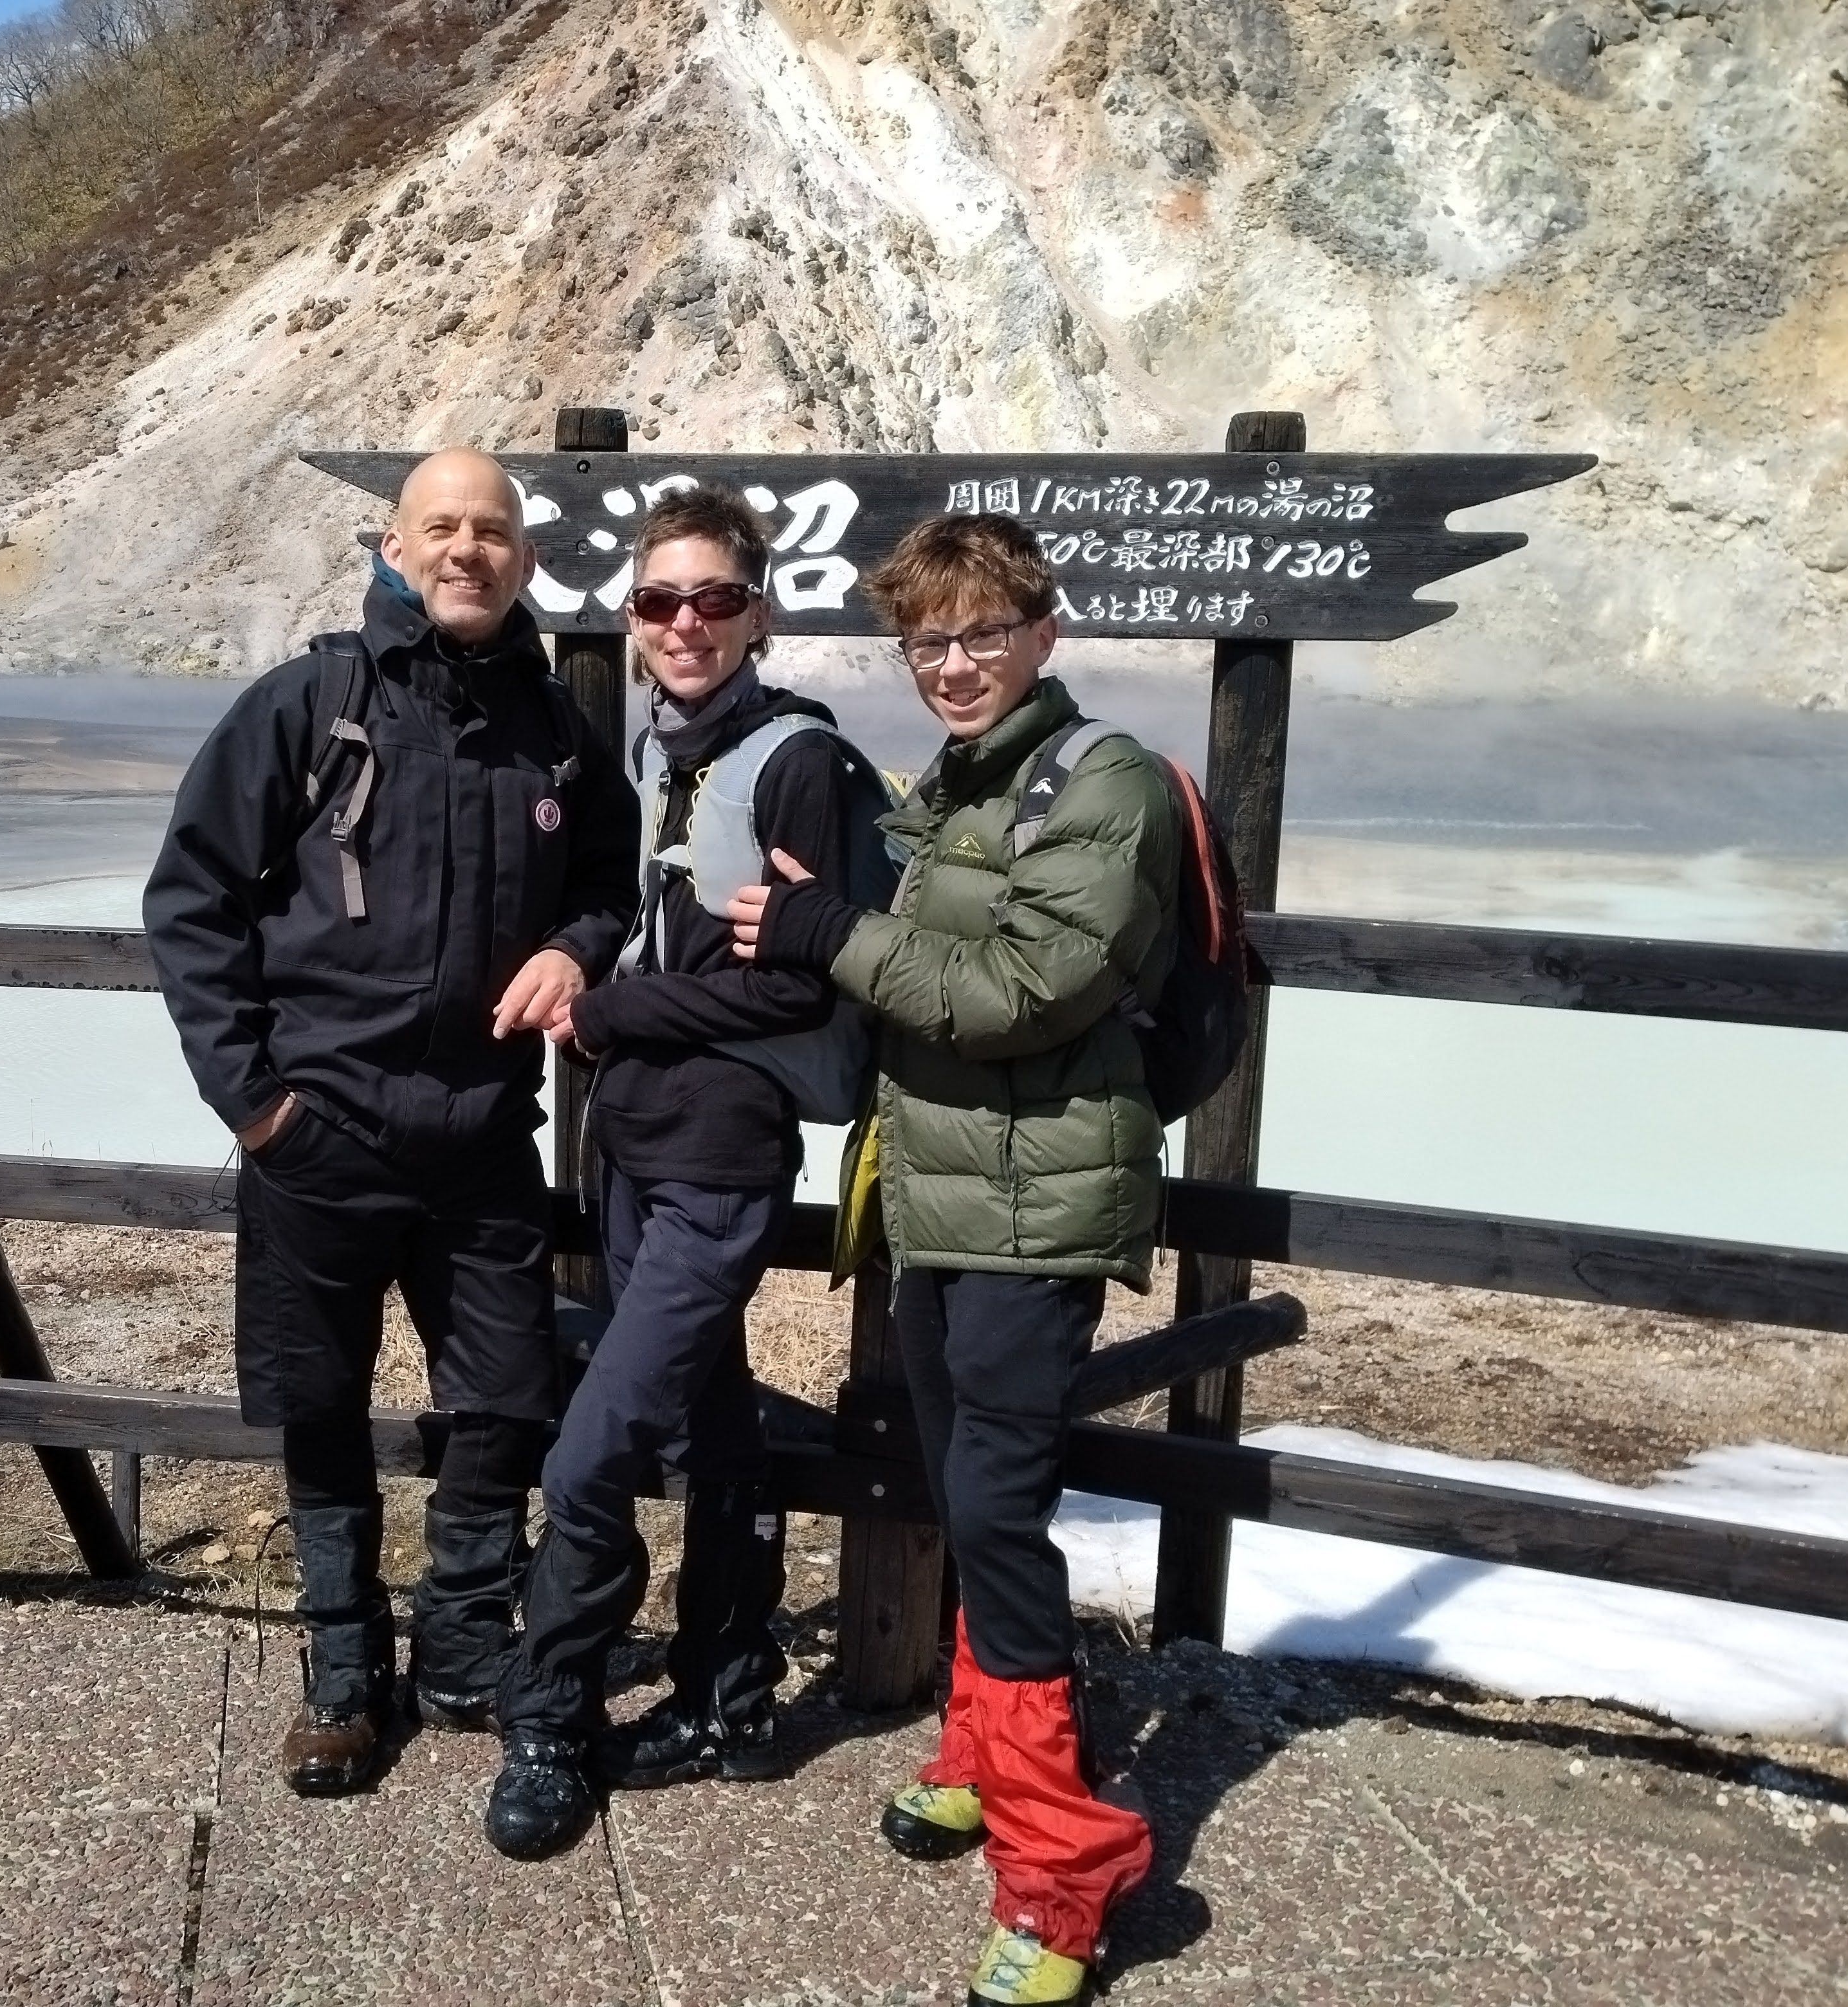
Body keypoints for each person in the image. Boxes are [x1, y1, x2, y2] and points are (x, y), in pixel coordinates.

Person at [143, 448, 639, 1798]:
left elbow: (607, 876)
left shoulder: (551, 725)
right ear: (392, 544)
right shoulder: (313, 703)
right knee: (319, 1404)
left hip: (482, 1134)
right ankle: (344, 1664)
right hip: (323, 1135)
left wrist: (581, 948)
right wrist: (256, 1105)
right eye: (442, 527)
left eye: (491, 530)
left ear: (523, 561)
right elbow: (190, 901)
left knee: (500, 1402)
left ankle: (466, 1643)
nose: (466, 549)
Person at [729, 513, 1173, 2007]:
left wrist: (825, 929)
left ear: (1044, 632)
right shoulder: (968, 781)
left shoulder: (1102, 782)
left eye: (985, 631)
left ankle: (1064, 1874)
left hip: (1032, 1214)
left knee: (993, 1504)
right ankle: (988, 1758)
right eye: (928, 640)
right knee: (967, 1496)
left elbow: (1025, 989)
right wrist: (828, 904)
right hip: (940, 1202)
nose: (957, 662)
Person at [482, 486, 891, 1860]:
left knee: (595, 1451)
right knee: (713, 1431)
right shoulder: (655, 756)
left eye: (714, 599)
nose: (685, 625)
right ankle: (729, 1692)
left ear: (758, 612)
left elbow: (795, 983)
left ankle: (548, 1713)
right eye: (660, 602)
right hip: (633, 1152)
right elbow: (638, 926)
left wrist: (608, 1016)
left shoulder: (799, 766)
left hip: (720, 1162)